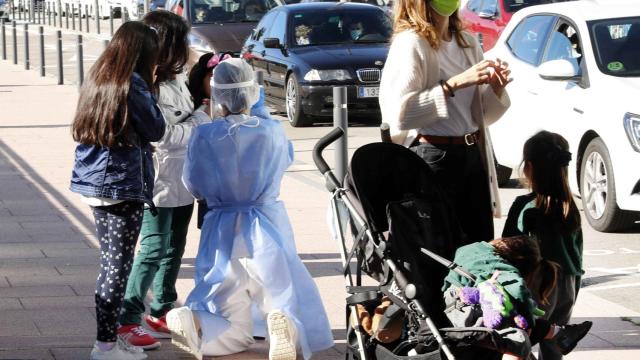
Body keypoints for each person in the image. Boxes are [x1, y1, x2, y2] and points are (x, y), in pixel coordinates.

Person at [166, 58, 334, 360]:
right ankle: (283, 324)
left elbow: (193, 183)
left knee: (226, 301)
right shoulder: (271, 131)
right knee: (279, 288)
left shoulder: (204, 134)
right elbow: (285, 162)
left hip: (220, 225)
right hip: (264, 220)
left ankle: (200, 323)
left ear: (217, 94)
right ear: (253, 92)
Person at [379, 0, 512, 244]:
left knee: (479, 243)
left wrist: (496, 89)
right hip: (433, 156)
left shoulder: (467, 42)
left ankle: (473, 285)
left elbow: (480, 116)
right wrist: (453, 85)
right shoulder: (411, 43)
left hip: (473, 153)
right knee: (441, 246)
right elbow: (400, 114)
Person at [69, 21, 164, 360]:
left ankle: (107, 342)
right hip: (121, 184)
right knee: (117, 267)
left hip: (96, 181)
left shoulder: (99, 77)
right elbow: (155, 128)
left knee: (111, 263)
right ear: (142, 53)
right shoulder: (133, 83)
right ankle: (105, 345)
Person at [118, 10, 210, 350]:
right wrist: (200, 117)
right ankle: (128, 317)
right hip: (157, 181)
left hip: (183, 179)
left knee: (175, 246)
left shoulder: (176, 80)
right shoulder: (146, 86)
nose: (186, 48)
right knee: (153, 248)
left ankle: (162, 306)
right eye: (181, 42)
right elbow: (164, 135)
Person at [502, 131, 584, 360]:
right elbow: (578, 253)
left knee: (523, 337)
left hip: (537, 283)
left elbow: (509, 246)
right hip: (568, 282)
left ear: (528, 167)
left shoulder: (525, 206)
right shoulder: (571, 208)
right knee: (553, 342)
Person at [443, 236, 592, 360]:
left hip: (454, 310)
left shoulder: (475, 249)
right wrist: (527, 320)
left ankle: (560, 334)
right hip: (467, 320)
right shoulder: (501, 267)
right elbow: (518, 289)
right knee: (518, 334)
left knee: (516, 320)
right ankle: (561, 335)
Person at [186, 51, 231, 229]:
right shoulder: (197, 111)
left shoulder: (237, 108)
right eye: (212, 78)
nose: (217, 84)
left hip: (232, 186)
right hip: (208, 187)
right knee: (209, 230)